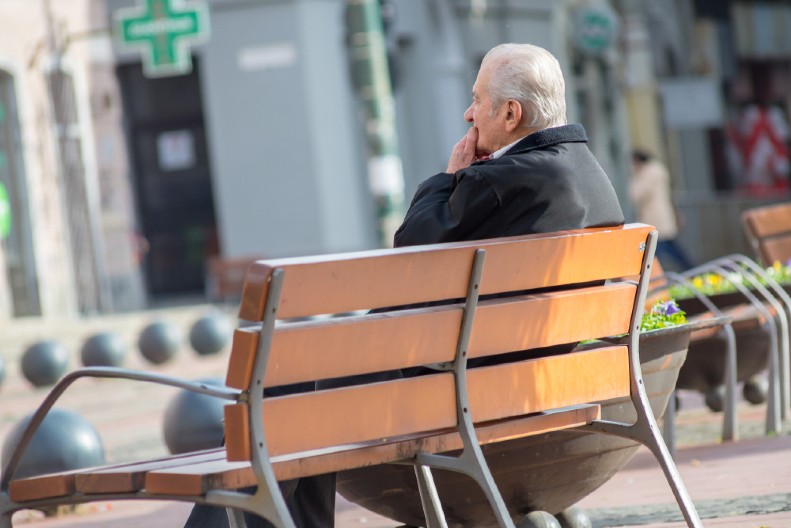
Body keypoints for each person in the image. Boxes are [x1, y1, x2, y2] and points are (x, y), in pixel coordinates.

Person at [183, 42, 624, 528]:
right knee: (290, 393)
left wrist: (450, 178)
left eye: (477, 100)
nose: (468, 112)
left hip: (454, 388)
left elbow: (412, 253)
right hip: (529, 378)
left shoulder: (502, 178)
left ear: (511, 113)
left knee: (279, 388)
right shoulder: (590, 174)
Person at [629, 149, 694, 271]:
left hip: (654, 220)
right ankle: (691, 269)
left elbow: (635, 194)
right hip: (664, 217)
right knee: (670, 249)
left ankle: (658, 278)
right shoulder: (659, 170)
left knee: (654, 254)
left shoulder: (646, 174)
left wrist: (636, 176)